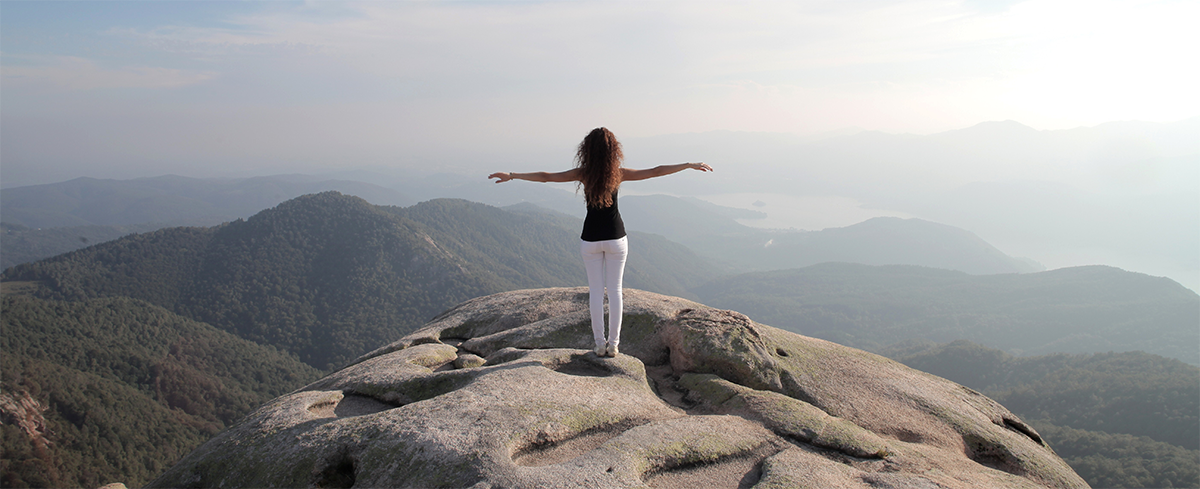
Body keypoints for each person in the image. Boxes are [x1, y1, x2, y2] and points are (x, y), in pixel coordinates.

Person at [488, 127, 712, 357]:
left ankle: (598, 343)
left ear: (587, 150)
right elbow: (655, 171)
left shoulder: (583, 174)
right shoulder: (619, 173)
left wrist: (512, 175)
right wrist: (687, 165)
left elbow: (546, 177)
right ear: (613, 150)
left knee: (596, 292)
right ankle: (613, 345)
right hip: (616, 238)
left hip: (590, 240)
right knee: (615, 291)